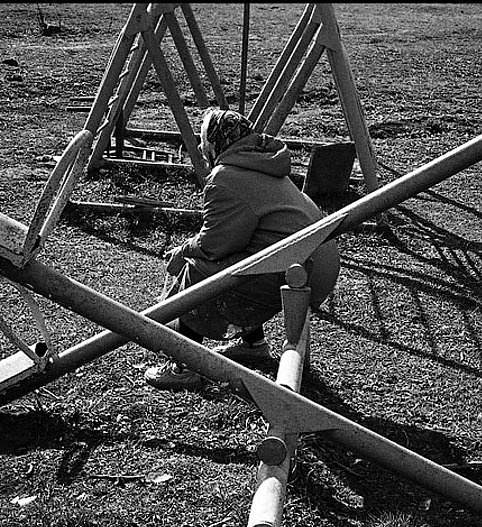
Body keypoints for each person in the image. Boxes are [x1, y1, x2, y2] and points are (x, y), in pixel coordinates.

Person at [145, 107, 340, 390]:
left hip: (295, 268)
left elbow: (215, 245)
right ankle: (253, 345)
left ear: (216, 142)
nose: (200, 148)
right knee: (245, 258)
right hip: (318, 262)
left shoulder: (226, 176)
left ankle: (185, 366)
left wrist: (183, 250)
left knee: (196, 269)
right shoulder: (261, 162)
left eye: (203, 141)